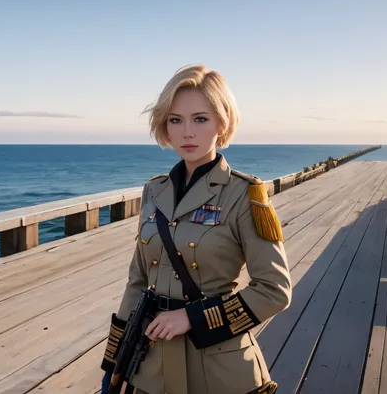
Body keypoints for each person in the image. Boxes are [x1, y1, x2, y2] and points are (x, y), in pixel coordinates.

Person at [100, 64, 292, 394]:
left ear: (222, 123)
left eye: (200, 119)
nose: (187, 132)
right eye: (176, 120)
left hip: (218, 367)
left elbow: (274, 290)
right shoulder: (154, 192)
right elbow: (137, 281)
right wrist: (114, 361)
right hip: (150, 368)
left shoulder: (244, 195)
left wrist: (192, 318)